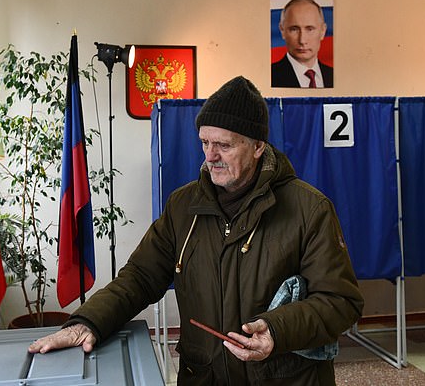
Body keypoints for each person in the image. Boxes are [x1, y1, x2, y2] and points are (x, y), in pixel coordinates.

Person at [29, 76, 363, 385]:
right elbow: (140, 277)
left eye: (224, 145)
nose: (210, 156)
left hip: (284, 377)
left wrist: (277, 329)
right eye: (204, 142)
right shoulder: (182, 205)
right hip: (203, 377)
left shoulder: (309, 209)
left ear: (258, 146)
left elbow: (341, 302)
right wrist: (87, 322)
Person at [271, 0, 334, 88]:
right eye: (294, 29)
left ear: (323, 31)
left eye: (310, 29)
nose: (302, 41)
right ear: (282, 31)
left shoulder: (333, 75)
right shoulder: (272, 75)